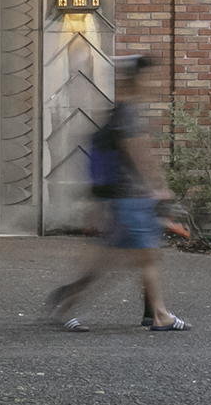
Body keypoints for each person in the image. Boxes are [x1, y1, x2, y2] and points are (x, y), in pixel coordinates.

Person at [43, 51, 189, 333]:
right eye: (150, 79)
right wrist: (156, 187)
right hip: (130, 198)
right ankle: (68, 305)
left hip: (124, 198)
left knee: (132, 257)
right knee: (123, 259)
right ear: (138, 81)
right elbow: (137, 151)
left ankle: (156, 314)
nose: (154, 84)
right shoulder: (128, 112)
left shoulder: (119, 111)